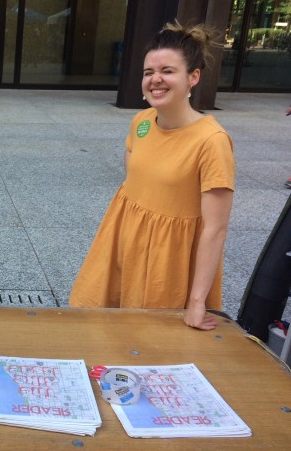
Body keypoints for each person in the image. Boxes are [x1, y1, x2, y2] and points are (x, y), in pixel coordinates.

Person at [69, 21, 235, 330]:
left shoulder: (211, 141)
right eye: (149, 73)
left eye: (168, 71)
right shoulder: (141, 122)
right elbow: (133, 184)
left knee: (150, 341)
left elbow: (215, 230)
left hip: (166, 259)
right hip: (122, 238)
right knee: (99, 328)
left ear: (193, 77)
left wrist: (197, 301)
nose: (156, 80)